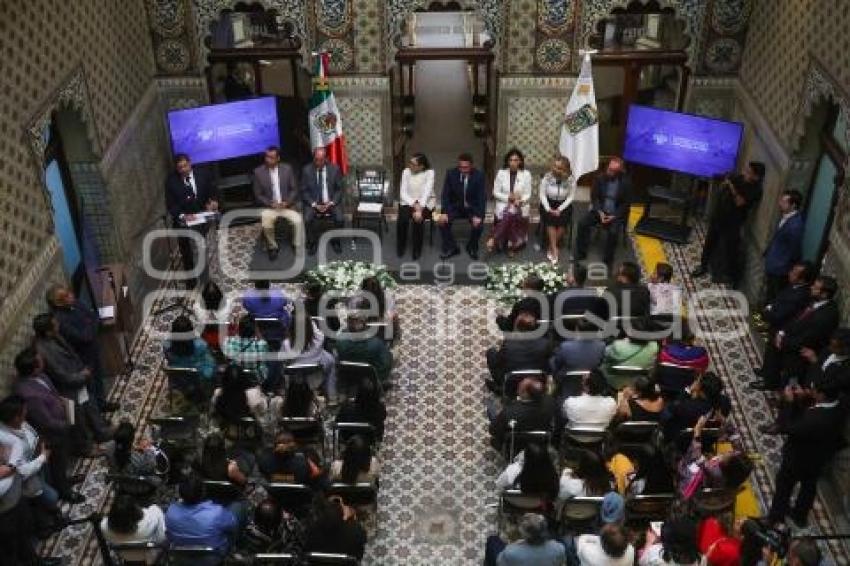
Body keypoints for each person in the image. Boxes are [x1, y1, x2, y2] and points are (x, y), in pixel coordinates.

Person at [767, 377, 847, 528]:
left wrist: (789, 403)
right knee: (809, 486)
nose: (810, 390)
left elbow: (788, 427)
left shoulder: (814, 419)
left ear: (822, 395)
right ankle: (799, 515)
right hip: (820, 456)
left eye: (813, 390)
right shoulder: (840, 405)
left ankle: (775, 517)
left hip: (799, 457)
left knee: (784, 485)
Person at [32, 312, 113, 458]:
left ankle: (101, 431)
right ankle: (86, 448)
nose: (58, 325)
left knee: (90, 405)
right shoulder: (42, 350)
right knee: (79, 420)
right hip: (68, 386)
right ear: (48, 330)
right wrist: (81, 376)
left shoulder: (54, 336)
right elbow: (59, 374)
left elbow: (70, 353)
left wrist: (82, 371)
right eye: (55, 324)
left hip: (79, 376)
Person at [14, 347, 82, 503]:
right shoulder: (29, 394)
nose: (43, 360)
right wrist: (66, 425)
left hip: (61, 422)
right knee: (57, 464)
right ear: (33, 368)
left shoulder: (41, 376)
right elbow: (46, 422)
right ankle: (65, 491)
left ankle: (65, 480)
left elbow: (52, 393)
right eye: (40, 361)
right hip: (53, 434)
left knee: (63, 460)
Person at [751, 275, 840, 391]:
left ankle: (780, 391)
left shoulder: (825, 316)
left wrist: (783, 341)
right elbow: (797, 318)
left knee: (789, 374)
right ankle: (769, 376)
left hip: (801, 350)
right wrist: (782, 333)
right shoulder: (815, 301)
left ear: (824, 294)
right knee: (773, 341)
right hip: (791, 337)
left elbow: (808, 338)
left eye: (815, 287)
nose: (811, 288)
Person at [759, 328, 850, 435]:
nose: (830, 348)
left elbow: (828, 385)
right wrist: (806, 384)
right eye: (831, 344)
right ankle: (782, 412)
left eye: (835, 347)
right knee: (792, 379)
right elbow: (815, 368)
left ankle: (785, 425)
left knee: (795, 404)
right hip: (810, 384)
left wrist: (808, 391)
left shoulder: (846, 369)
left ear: (845, 349)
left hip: (822, 396)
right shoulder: (828, 351)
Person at [46, 284, 118, 413]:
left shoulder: (76, 303)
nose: (71, 296)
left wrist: (92, 324)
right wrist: (92, 324)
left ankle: (102, 404)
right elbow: (84, 337)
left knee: (99, 378)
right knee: (91, 387)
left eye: (69, 293)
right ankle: (97, 412)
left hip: (93, 348)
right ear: (59, 303)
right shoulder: (60, 320)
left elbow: (93, 315)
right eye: (66, 296)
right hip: (83, 357)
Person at [691, 161, 765, 284]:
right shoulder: (738, 178)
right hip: (719, 217)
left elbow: (740, 202)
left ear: (756, 176)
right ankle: (703, 266)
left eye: (749, 172)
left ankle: (726, 275)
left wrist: (731, 187)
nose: (745, 173)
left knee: (729, 249)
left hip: (733, 223)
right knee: (710, 242)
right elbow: (725, 181)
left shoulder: (756, 190)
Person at [164, 153, 219, 289]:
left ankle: (208, 277)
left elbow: (212, 191)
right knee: (191, 251)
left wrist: (213, 202)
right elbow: (171, 205)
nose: (183, 169)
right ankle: (198, 280)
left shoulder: (203, 174)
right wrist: (183, 215)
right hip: (186, 222)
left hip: (204, 217)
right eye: (180, 167)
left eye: (185, 166)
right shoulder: (171, 182)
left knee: (204, 248)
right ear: (177, 169)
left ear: (190, 163)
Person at [0, 395, 60, 516]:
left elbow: (31, 434)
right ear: (16, 418)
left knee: (48, 482)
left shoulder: (19, 423)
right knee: (51, 497)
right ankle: (44, 523)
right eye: (24, 411)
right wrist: (42, 458)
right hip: (28, 475)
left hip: (37, 458)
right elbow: (21, 471)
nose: (26, 412)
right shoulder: (7, 441)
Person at [165, 474, 239, 561]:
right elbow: (233, 525)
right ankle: (234, 551)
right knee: (238, 507)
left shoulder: (171, 511)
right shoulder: (216, 512)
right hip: (213, 560)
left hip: (180, 559)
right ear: (203, 492)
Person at [678, 415, 752, 499]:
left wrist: (697, 431)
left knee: (688, 456)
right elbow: (735, 437)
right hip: (711, 478)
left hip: (698, 479)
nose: (730, 451)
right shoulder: (736, 473)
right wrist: (724, 420)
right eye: (733, 452)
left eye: (730, 454)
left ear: (728, 464)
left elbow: (697, 456)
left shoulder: (714, 471)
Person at [575, 157, 632, 266]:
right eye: (609, 169)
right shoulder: (599, 178)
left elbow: (626, 204)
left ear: (619, 172)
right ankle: (581, 253)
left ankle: (608, 260)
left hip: (615, 214)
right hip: (600, 210)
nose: (609, 172)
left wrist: (614, 216)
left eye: (613, 171)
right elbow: (594, 198)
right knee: (582, 223)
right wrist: (600, 212)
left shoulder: (626, 183)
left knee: (613, 232)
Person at [253, 145, 303, 260]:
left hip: (287, 205)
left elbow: (294, 189)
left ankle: (296, 244)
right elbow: (258, 195)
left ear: (278, 158)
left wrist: (287, 202)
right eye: (266, 157)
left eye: (271, 157)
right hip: (270, 207)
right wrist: (270, 203)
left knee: (298, 220)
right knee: (266, 223)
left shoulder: (287, 169)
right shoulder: (258, 172)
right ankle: (273, 247)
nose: (268, 160)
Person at [282, 303, 337, 401]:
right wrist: (308, 320)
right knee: (330, 359)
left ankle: (283, 390)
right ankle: (331, 394)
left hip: (295, 380)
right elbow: (314, 330)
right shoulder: (319, 339)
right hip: (315, 378)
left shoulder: (286, 344)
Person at [486, 312, 552, 393]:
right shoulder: (545, 343)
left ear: (517, 327)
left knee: (491, 353)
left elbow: (499, 362)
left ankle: (500, 386)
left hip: (513, 382)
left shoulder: (509, 343)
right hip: (538, 380)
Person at [438, 152, 487, 260]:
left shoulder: (479, 176)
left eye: (466, 167)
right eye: (460, 167)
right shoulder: (451, 173)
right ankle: (452, 247)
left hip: (471, 208)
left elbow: (482, 198)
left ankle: (472, 247)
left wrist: (479, 215)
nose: (463, 170)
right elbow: (445, 195)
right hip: (455, 207)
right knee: (441, 221)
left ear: (471, 166)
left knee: (479, 225)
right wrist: (445, 213)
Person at [489, 378, 556, 451]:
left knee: (491, 410)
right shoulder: (551, 402)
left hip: (515, 447)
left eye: (519, 388)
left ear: (525, 394)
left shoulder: (509, 412)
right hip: (541, 441)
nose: (517, 390)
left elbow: (493, 431)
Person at [488, 148, 533, 257]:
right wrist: (508, 198)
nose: (513, 163)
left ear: (520, 161)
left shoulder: (526, 174)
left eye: (516, 160)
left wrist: (520, 200)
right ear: (507, 161)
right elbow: (495, 192)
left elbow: (528, 194)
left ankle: (495, 239)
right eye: (511, 160)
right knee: (510, 213)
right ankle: (511, 245)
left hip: (519, 203)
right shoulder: (501, 173)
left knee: (511, 213)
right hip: (505, 202)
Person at [663, 372, 731, 441]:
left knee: (665, 411)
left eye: (698, 381)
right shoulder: (725, 401)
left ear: (701, 389)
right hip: (707, 432)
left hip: (683, 431)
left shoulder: (688, 407)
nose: (696, 382)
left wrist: (688, 390)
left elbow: (672, 407)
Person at [335, 304, 393, 384]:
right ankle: (381, 383)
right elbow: (386, 364)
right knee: (393, 353)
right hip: (370, 379)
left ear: (348, 326)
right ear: (365, 326)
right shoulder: (376, 343)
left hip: (349, 377)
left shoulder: (340, 342)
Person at [763, 190, 805, 303]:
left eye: (784, 201)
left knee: (773, 298)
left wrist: (785, 266)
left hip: (780, 268)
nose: (780, 203)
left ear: (793, 205)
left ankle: (763, 319)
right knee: (768, 294)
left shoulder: (795, 226)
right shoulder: (786, 217)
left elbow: (794, 250)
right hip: (773, 263)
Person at [302, 147, 345, 255]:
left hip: (330, 201)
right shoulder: (306, 170)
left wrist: (331, 203)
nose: (318, 162)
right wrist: (314, 204)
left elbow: (339, 189)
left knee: (340, 219)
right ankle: (312, 242)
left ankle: (335, 241)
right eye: (316, 159)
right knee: (307, 219)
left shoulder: (335, 169)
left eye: (321, 160)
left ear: (327, 158)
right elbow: (304, 191)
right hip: (314, 202)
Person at [163, 315, 216, 402]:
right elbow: (210, 365)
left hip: (178, 377)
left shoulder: (166, 344)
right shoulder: (200, 345)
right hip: (198, 376)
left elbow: (168, 358)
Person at [484, 513, 566, 566]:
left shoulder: (511, 552)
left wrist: (512, 544)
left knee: (492, 541)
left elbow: (499, 563)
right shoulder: (558, 548)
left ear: (525, 534)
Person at [101, 494, 167, 559]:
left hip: (124, 556)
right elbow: (161, 538)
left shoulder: (103, 526)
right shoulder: (153, 515)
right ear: (136, 510)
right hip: (149, 555)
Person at [757, 260, 814, 334]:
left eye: (794, 273)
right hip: (768, 317)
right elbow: (777, 299)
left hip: (775, 329)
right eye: (792, 270)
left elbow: (779, 316)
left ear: (802, 280)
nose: (789, 273)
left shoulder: (800, 295)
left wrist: (766, 311)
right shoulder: (794, 285)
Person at [539, 155, 577, 264]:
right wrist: (548, 208)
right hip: (548, 203)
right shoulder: (547, 177)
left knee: (562, 222)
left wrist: (560, 209)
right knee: (550, 220)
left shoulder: (571, 179)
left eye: (559, 168)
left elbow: (570, 197)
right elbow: (542, 195)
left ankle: (551, 247)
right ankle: (555, 248)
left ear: (565, 169)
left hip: (563, 204)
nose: (556, 169)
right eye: (555, 166)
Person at [397, 152, 435, 259]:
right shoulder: (406, 172)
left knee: (418, 220)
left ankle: (417, 249)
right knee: (403, 220)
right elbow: (402, 192)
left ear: (421, 166)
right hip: (408, 201)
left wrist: (419, 209)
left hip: (426, 201)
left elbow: (427, 192)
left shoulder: (430, 173)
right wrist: (414, 204)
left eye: (413, 164)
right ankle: (401, 246)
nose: (410, 166)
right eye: (410, 163)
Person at [304, 495, 367, 560]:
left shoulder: (311, 530)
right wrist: (353, 520)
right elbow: (359, 555)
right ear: (343, 515)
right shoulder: (357, 532)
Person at [495, 442, 559, 501]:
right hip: (539, 507)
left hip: (515, 505)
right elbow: (555, 496)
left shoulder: (513, 470)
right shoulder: (552, 476)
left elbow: (499, 487)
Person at [223, 314, 269, 387]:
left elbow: (226, 358)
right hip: (256, 379)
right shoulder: (261, 344)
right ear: (254, 330)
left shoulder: (228, 342)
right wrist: (257, 332)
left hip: (236, 379)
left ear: (239, 329)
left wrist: (236, 329)